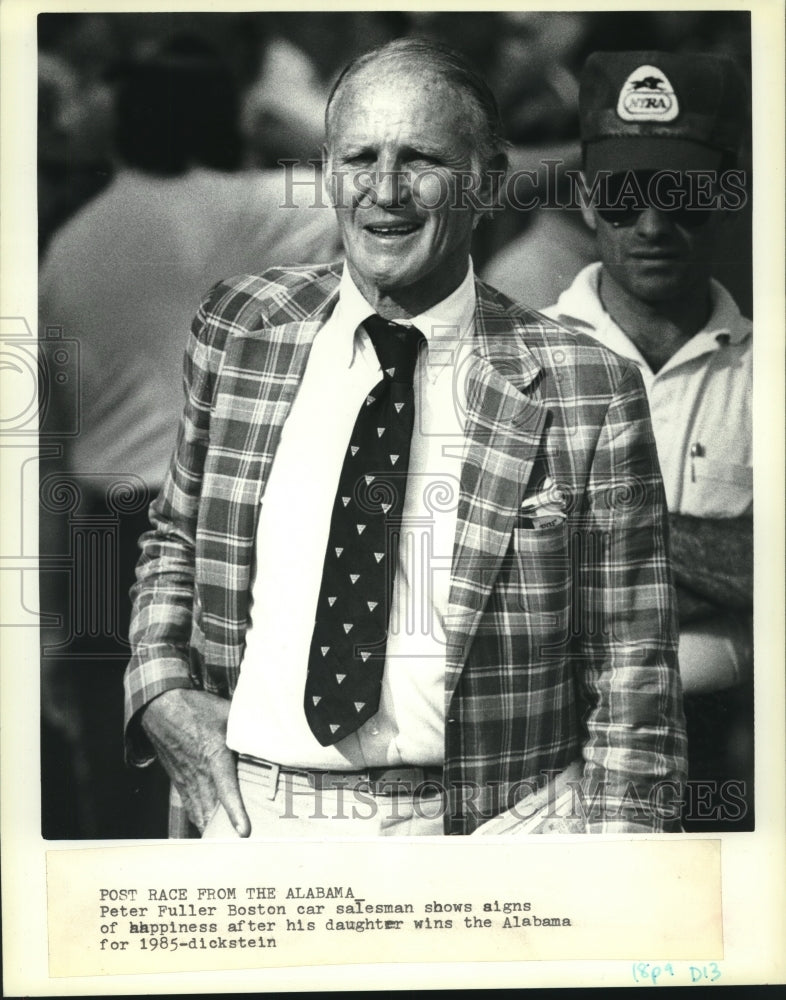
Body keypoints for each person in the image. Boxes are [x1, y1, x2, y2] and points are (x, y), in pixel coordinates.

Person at [124, 38, 686, 839]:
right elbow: (175, 537)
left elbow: (633, 668)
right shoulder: (243, 326)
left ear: (489, 183)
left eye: (421, 158)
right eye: (360, 157)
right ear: (327, 174)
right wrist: (161, 689)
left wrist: (624, 875)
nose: (385, 191)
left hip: (500, 830)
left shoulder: (583, 383)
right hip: (260, 818)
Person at [39, 35, 341, 838]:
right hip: (209, 529)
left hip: (103, 526)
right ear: (225, 121)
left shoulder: (67, 250)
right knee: (230, 776)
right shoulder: (258, 208)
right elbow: (406, 179)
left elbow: (51, 448)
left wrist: (53, 618)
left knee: (119, 773)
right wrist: (286, 125)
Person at [542, 51, 753, 828]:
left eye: (682, 195)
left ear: (728, 197)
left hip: (727, 754)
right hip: (548, 752)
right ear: (589, 202)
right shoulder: (515, 361)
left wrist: (594, 546)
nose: (654, 225)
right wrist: (725, 559)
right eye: (626, 197)